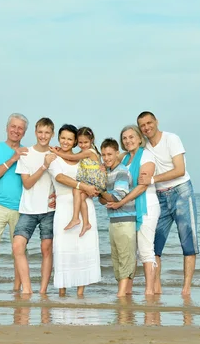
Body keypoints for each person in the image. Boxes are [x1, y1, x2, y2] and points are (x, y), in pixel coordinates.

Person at [137, 111, 199, 296]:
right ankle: (157, 288)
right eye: (143, 125)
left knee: (188, 242)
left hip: (181, 192)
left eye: (149, 123)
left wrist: (153, 179)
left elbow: (180, 170)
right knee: (154, 246)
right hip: (159, 197)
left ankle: (186, 289)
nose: (147, 127)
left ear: (156, 122)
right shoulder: (144, 147)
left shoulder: (171, 139)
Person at [48, 124, 101, 296]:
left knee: (83, 248)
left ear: (75, 142)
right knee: (63, 249)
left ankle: (80, 292)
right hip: (64, 207)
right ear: (58, 138)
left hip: (84, 204)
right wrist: (82, 185)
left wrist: (91, 188)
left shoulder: (82, 158)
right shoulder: (53, 158)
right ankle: (62, 290)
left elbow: (94, 174)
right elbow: (60, 177)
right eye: (63, 138)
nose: (65, 141)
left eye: (70, 139)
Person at [107, 125, 160, 296]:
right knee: (130, 251)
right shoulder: (123, 160)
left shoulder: (146, 155)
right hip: (129, 209)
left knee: (145, 249)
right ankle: (127, 290)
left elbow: (143, 185)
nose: (128, 140)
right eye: (124, 138)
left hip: (146, 206)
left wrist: (121, 201)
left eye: (131, 137)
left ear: (139, 138)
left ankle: (149, 291)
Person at [0, 113, 29, 295]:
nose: (16, 131)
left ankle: (17, 290)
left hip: (21, 208)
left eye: (20, 128)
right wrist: (12, 159)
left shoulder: (27, 152)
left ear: (24, 132)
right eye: (13, 127)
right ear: (7, 128)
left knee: (19, 250)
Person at [12, 117, 58, 295]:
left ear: (52, 134)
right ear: (35, 132)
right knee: (17, 246)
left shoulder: (57, 153)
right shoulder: (26, 154)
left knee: (46, 249)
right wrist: (44, 166)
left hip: (49, 210)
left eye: (47, 132)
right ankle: (27, 290)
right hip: (28, 209)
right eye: (40, 132)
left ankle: (43, 291)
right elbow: (27, 184)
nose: (43, 136)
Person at [97, 138, 136, 297]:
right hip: (113, 220)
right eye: (103, 155)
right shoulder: (107, 173)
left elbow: (119, 196)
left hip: (125, 220)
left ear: (117, 153)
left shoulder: (121, 171)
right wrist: (103, 194)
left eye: (109, 154)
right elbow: (102, 200)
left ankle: (121, 294)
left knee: (125, 256)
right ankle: (125, 292)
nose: (106, 158)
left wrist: (101, 194)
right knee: (116, 257)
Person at [51, 127, 106, 237]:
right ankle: (85, 223)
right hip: (90, 183)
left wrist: (58, 153)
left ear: (92, 140)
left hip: (94, 183)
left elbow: (72, 157)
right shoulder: (85, 151)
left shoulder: (89, 152)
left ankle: (76, 218)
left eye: (86, 142)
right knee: (79, 195)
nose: (83, 145)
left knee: (76, 191)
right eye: (80, 142)